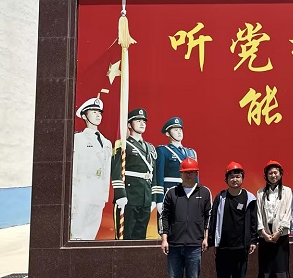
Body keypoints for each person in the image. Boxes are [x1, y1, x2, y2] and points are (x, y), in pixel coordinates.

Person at [160, 157, 212, 278]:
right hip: (174, 245)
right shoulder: (172, 193)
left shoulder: (204, 192)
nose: (189, 175)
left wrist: (206, 238)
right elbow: (164, 217)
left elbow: (208, 217)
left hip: (195, 245)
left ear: (197, 173)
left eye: (192, 172)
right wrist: (164, 239)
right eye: (185, 172)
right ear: (181, 174)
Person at [208, 161, 258, 278]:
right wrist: (212, 241)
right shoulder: (220, 197)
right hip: (223, 247)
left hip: (241, 247)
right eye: (231, 177)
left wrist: (253, 240)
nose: (235, 179)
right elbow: (213, 219)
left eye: (238, 176)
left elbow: (253, 221)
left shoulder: (249, 198)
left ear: (242, 178)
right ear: (226, 179)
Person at [111, 108, 163, 240]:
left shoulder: (151, 148)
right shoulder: (124, 144)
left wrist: (153, 198)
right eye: (138, 121)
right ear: (129, 125)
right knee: (126, 237)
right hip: (129, 196)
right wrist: (120, 195)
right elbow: (116, 171)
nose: (142, 123)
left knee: (140, 238)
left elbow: (153, 175)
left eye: (144, 121)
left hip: (145, 197)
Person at [255, 160, 293, 278]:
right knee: (267, 272)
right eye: (270, 173)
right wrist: (263, 232)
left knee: (280, 273)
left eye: (276, 172)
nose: (273, 175)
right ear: (266, 175)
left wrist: (279, 231)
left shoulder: (287, 191)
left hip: (281, 238)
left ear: (281, 174)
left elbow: (288, 212)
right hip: (265, 238)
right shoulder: (260, 193)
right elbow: (258, 214)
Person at [70, 97, 112, 240]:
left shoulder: (107, 142)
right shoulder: (78, 139)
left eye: (99, 112)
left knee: (91, 231)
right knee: (77, 231)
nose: (98, 115)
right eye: (94, 112)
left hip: (98, 192)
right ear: (84, 116)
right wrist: (73, 193)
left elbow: (107, 170)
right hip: (82, 190)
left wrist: (105, 194)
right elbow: (74, 166)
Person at [154, 117, 198, 232]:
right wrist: (159, 200)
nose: (179, 132)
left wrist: (198, 196)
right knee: (169, 229)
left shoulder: (191, 152)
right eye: (175, 130)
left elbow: (196, 177)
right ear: (168, 133)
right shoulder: (163, 150)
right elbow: (159, 176)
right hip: (170, 194)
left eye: (180, 129)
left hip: (188, 193)